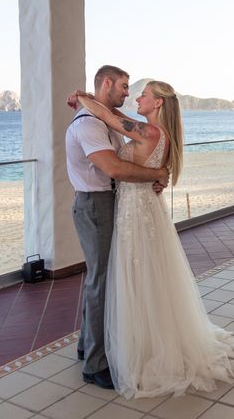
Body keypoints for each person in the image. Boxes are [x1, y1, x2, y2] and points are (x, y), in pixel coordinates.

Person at [71, 81, 234, 399]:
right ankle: (127, 341)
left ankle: (138, 347)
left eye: (143, 94)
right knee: (143, 276)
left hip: (135, 211)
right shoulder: (155, 133)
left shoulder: (149, 132)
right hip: (137, 207)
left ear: (157, 104)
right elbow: (114, 116)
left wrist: (83, 97)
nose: (137, 98)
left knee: (136, 275)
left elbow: (112, 120)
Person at [65, 65, 169, 390]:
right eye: (124, 86)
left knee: (102, 278)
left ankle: (87, 346)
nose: (129, 92)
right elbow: (113, 167)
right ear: (106, 83)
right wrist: (157, 174)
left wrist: (83, 97)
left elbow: (123, 136)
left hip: (113, 204)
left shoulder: (103, 119)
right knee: (102, 280)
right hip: (96, 205)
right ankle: (95, 365)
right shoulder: (88, 124)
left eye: (136, 90)